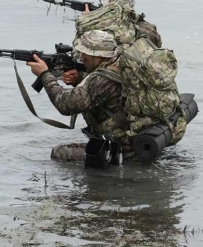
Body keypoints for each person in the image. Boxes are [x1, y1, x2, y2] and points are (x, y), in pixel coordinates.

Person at [27, 29, 133, 162]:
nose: (81, 58)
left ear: (98, 57)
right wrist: (79, 78)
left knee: (59, 153)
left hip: (124, 149)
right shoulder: (119, 63)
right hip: (133, 138)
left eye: (86, 54)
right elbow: (101, 92)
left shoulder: (100, 80)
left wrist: (44, 75)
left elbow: (65, 104)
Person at [61, 0, 161, 86]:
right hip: (145, 81)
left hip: (110, 83)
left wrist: (88, 21)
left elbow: (79, 56)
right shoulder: (149, 29)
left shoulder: (100, 29)